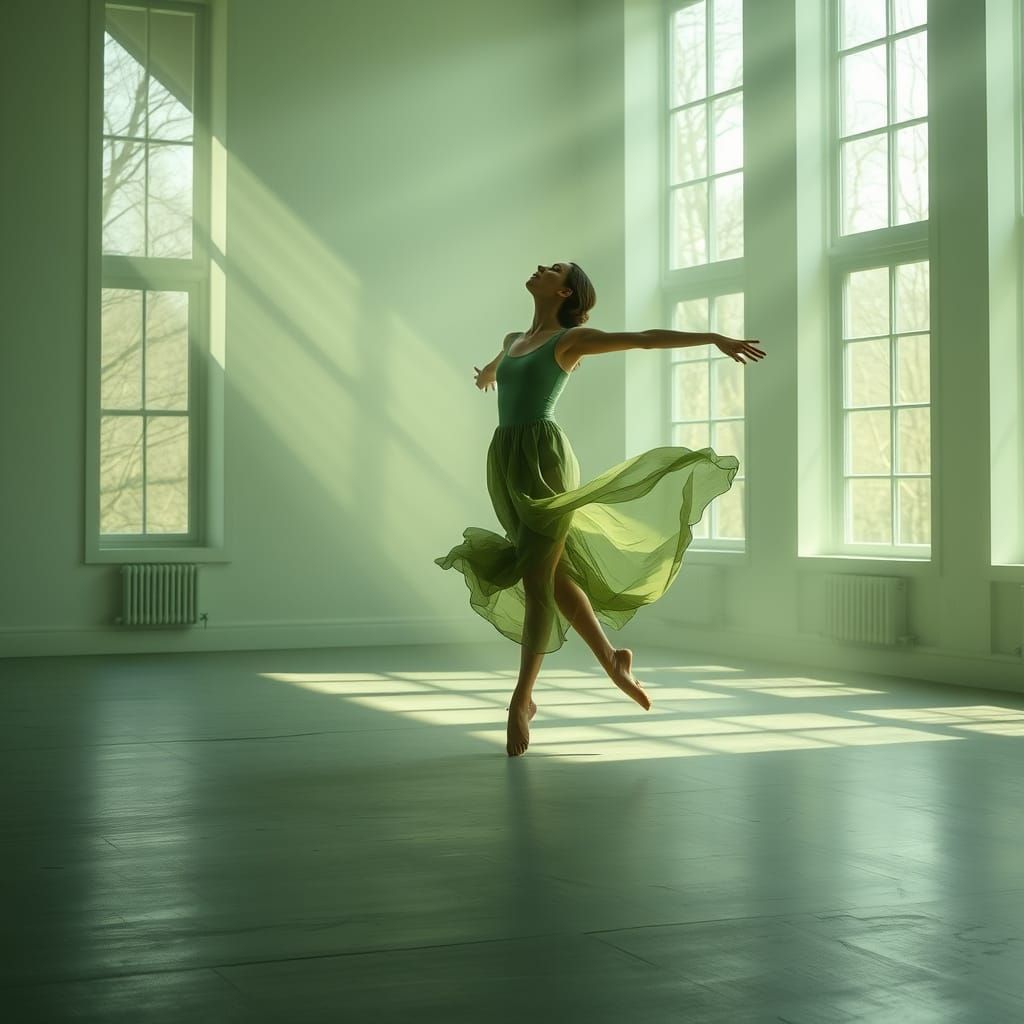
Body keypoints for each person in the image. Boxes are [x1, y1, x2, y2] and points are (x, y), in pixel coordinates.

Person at [435, 262, 766, 757]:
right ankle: (613, 661)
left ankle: (521, 699)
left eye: (553, 269)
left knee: (535, 578)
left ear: (564, 290)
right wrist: (488, 372)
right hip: (505, 460)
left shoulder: (571, 341)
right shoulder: (513, 339)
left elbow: (645, 339)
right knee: (550, 571)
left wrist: (712, 336)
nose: (540, 268)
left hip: (544, 459)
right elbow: (503, 362)